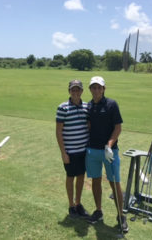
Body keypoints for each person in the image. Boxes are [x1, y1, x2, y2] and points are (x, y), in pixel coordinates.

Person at [85, 76, 128, 233]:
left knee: (114, 182)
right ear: (90, 89)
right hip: (92, 151)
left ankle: (120, 216)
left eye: (99, 87)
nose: (96, 90)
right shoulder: (88, 106)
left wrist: (109, 144)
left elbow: (118, 128)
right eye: (93, 87)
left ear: (103, 89)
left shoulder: (111, 104)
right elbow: (88, 126)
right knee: (95, 181)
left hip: (109, 152)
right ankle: (98, 211)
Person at [56, 79, 90, 218]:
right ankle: (71, 206)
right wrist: (63, 153)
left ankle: (78, 203)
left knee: (81, 176)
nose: (75, 92)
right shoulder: (63, 107)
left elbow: (89, 126)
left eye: (78, 89)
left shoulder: (87, 107)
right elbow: (58, 131)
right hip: (70, 151)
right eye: (73, 90)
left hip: (83, 151)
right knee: (70, 177)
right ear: (69, 91)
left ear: (82, 91)